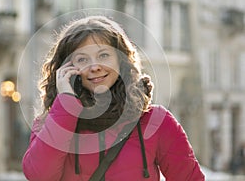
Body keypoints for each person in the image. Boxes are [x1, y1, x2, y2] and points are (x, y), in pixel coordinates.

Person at [22, 15, 205, 180]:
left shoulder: (156, 121)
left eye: (103, 55)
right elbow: (39, 176)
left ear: (121, 60)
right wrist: (66, 103)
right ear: (66, 69)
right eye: (82, 59)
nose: (95, 67)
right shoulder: (51, 122)